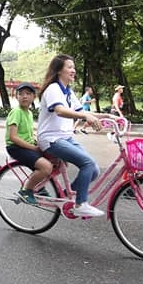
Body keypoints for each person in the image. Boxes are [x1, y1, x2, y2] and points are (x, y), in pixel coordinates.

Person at [37, 54, 107, 218]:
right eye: (69, 67)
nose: (73, 70)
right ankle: (80, 204)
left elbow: (81, 111)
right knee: (87, 163)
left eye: (73, 67)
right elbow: (60, 110)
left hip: (65, 137)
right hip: (51, 139)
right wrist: (85, 117)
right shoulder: (53, 88)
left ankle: (71, 195)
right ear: (58, 70)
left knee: (94, 170)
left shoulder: (68, 91)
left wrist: (108, 117)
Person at [5, 82, 53, 204]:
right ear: (16, 97)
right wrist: (33, 147)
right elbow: (13, 137)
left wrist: (38, 142)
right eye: (20, 94)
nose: (24, 96)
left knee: (55, 159)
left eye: (28, 94)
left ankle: (40, 186)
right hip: (15, 147)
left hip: (26, 146)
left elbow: (28, 134)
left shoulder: (29, 113)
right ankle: (26, 191)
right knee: (46, 166)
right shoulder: (16, 112)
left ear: (33, 97)